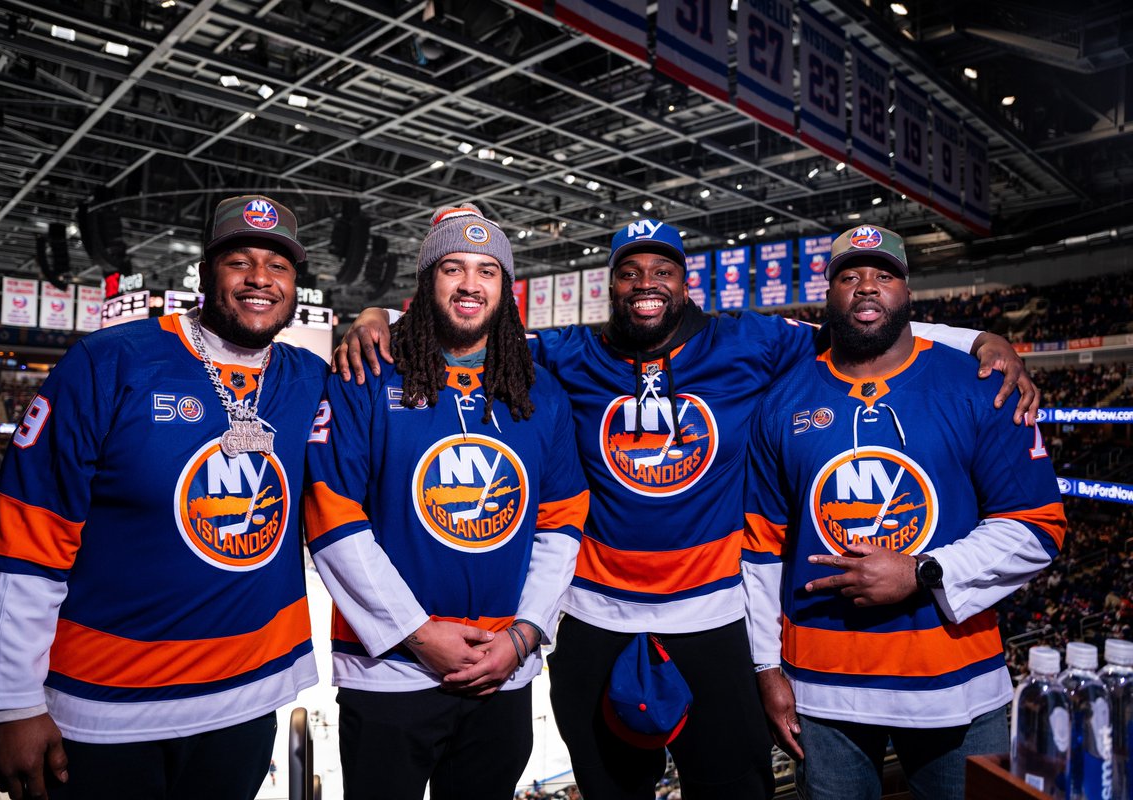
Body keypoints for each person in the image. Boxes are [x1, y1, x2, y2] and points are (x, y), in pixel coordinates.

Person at [335, 218, 1038, 799]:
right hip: (592, 618)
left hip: (715, 616)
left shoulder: (750, 342)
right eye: (630, 271)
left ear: (685, 281)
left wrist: (978, 341)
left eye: (663, 269)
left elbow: (865, 329)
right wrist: (380, 317)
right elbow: (469, 325)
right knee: (609, 787)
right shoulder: (568, 353)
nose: (647, 284)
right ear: (611, 285)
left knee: (736, 788)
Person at [0, 195, 327, 800]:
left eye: (279, 267)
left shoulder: (308, 376)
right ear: (206, 272)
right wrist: (11, 704)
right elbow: (28, 530)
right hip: (104, 712)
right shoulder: (111, 362)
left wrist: (376, 316)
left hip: (246, 702)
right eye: (239, 261)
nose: (260, 279)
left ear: (295, 284)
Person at [742, 225, 1066, 800]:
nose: (867, 287)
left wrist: (922, 571)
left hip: (956, 686)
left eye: (883, 275)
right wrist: (767, 667)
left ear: (907, 291)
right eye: (850, 276)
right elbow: (761, 548)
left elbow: (1038, 528)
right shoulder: (781, 401)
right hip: (823, 691)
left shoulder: (980, 385)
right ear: (828, 293)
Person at [304, 204, 589, 800]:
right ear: (427, 279)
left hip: (500, 673)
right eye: (453, 268)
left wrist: (524, 634)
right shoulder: (367, 376)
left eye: (487, 271)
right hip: (388, 676)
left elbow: (560, 526)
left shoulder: (539, 392)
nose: (469, 284)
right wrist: (416, 632)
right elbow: (331, 513)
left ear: (505, 288)